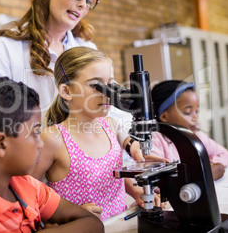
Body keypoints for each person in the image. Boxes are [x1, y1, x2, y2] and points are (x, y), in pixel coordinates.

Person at [0, 76, 104, 232]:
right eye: (35, 133)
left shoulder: (26, 185)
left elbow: (93, 224)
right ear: (0, 144)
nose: (41, 143)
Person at [31, 47, 162, 221]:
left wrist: (136, 191)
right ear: (66, 91)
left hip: (119, 224)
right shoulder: (53, 139)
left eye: (111, 85)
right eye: (96, 85)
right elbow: (27, 191)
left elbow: (112, 176)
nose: (107, 94)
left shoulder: (111, 127)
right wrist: (66, 212)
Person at [0, 0, 99, 117]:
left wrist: (128, 139)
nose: (83, 4)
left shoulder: (89, 50)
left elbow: (109, 112)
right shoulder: (4, 49)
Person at [150, 80, 228, 181]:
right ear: (164, 116)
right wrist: (201, 173)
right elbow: (156, 177)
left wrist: (210, 166)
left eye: (196, 111)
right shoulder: (156, 141)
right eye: (187, 112)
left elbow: (224, 154)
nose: (195, 117)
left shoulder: (199, 137)